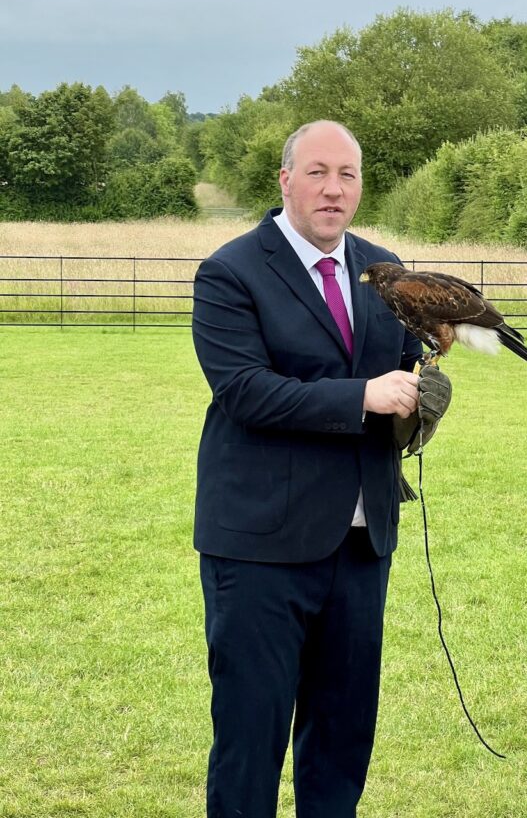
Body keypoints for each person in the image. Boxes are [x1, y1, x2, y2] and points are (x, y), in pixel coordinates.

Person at [192, 119, 451, 817]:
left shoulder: (386, 268)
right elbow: (243, 391)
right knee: (251, 739)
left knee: (341, 740)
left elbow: (400, 377)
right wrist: (362, 396)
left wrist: (419, 396)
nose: (334, 189)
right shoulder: (230, 272)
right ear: (285, 180)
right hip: (259, 546)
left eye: (348, 175)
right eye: (317, 172)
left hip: (363, 543)